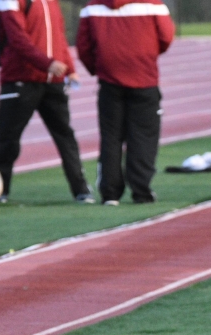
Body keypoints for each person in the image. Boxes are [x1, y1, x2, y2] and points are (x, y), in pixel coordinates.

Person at [0, 0, 95, 203]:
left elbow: (59, 38)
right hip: (20, 79)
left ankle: (81, 189)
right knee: (8, 138)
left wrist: (70, 69)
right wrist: (46, 63)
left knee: (66, 136)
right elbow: (17, 38)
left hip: (53, 82)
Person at [76, 0, 175, 205]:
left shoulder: (92, 7)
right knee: (144, 138)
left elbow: (83, 46)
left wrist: (99, 67)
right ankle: (141, 191)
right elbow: (166, 37)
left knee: (111, 138)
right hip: (144, 79)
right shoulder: (152, 4)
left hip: (109, 82)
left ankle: (110, 193)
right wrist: (145, 55)